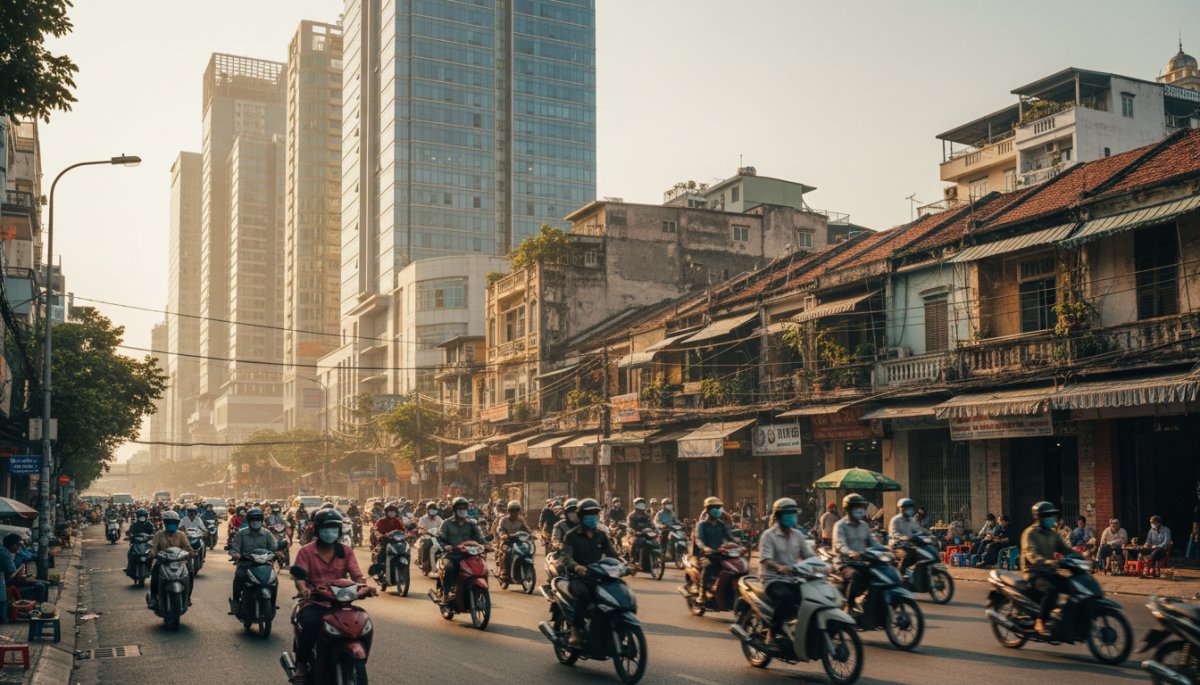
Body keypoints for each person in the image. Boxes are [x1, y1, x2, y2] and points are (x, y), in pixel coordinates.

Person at [290, 510, 371, 684]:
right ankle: (302, 663)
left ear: (340, 531)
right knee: (311, 623)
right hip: (314, 601)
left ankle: (356, 660)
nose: (330, 532)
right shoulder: (306, 551)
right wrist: (304, 589)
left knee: (363, 622)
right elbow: (299, 577)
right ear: (318, 530)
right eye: (326, 528)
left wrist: (364, 587)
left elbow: (357, 575)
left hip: (342, 602)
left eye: (334, 528)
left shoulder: (346, 551)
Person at [559, 498, 620, 647]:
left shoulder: (601, 535)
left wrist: (625, 565)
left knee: (618, 592)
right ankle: (576, 630)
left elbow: (612, 554)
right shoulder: (572, 536)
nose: (593, 517)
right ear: (580, 516)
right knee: (584, 595)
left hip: (599, 576)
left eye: (595, 514)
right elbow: (565, 557)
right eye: (589, 514)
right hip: (579, 578)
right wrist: (577, 567)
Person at [758, 498, 817, 646]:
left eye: (794, 513)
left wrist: (820, 563)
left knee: (813, 598)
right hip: (773, 579)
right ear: (778, 516)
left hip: (793, 578)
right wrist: (779, 567)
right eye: (788, 513)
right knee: (786, 599)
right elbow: (765, 559)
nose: (792, 517)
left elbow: (808, 555)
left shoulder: (797, 535)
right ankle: (771, 633)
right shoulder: (768, 535)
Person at [1021, 501, 1075, 637]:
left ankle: (1064, 617)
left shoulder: (1052, 533)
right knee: (1052, 591)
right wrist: (1047, 561)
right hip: (1034, 574)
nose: (1052, 519)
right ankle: (1040, 621)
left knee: (1074, 586)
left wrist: (1082, 557)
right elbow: (1031, 554)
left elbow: (1065, 549)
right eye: (1048, 516)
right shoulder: (1030, 533)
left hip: (1049, 572)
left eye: (1052, 515)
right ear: (1038, 517)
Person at [833, 493, 877, 612]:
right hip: (845, 562)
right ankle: (849, 605)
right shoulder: (840, 525)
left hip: (862, 561)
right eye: (856, 507)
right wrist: (850, 552)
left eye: (861, 507)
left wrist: (885, 549)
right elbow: (839, 544)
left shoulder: (864, 525)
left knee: (878, 575)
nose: (860, 510)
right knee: (855, 576)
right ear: (848, 509)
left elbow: (873, 543)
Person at [229, 508, 279, 612]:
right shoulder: (241, 534)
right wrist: (236, 555)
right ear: (248, 521)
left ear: (261, 520)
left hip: (264, 564)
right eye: (253, 519)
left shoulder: (267, 533)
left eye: (258, 519)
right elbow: (234, 549)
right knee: (239, 577)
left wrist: (278, 553)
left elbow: (274, 547)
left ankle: (272, 602)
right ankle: (236, 602)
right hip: (245, 564)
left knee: (274, 580)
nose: (255, 522)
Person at [436, 497, 486, 600]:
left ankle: (481, 592)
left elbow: (479, 538)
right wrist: (446, 546)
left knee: (483, 569)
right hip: (452, 555)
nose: (462, 510)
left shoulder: (471, 523)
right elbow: (440, 538)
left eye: (464, 508)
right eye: (460, 508)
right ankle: (446, 593)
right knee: (449, 568)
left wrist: (486, 545)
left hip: (470, 554)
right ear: (454, 510)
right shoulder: (446, 523)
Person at [692, 496, 736, 602]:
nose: (717, 510)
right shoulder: (702, 525)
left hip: (721, 552)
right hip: (706, 554)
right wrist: (705, 548)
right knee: (708, 566)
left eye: (718, 508)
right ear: (707, 510)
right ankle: (702, 593)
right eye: (714, 508)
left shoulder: (721, 524)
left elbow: (730, 537)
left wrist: (738, 544)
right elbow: (699, 540)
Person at [148, 511, 193, 608]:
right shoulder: (159, 534)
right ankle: (153, 597)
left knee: (190, 573)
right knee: (155, 572)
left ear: (177, 524)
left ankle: (188, 597)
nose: (172, 525)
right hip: (163, 562)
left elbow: (187, 547)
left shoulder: (181, 535)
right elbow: (154, 547)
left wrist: (192, 552)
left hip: (180, 563)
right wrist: (152, 552)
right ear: (165, 523)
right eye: (169, 523)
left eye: (174, 523)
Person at [0, 534, 48, 603]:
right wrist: (24, 575)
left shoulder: (5, 551)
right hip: (8, 583)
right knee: (41, 585)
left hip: (11, 579)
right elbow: (16, 576)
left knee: (44, 583)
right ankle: (40, 606)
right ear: (11, 545)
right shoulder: (5, 554)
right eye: (17, 545)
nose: (18, 548)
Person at [887, 498, 927, 576]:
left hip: (909, 546)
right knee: (907, 556)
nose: (909, 510)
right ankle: (900, 575)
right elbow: (893, 535)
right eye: (906, 508)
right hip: (896, 546)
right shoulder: (895, 520)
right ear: (901, 509)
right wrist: (903, 538)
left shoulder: (912, 520)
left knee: (921, 553)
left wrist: (926, 534)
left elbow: (918, 531)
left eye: (910, 508)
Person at [371, 503, 408, 584]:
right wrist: (380, 535)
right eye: (390, 512)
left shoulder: (397, 521)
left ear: (396, 513)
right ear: (386, 512)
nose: (392, 513)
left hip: (397, 542)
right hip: (385, 542)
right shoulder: (381, 521)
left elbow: (403, 530)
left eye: (393, 512)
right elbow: (376, 530)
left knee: (406, 552)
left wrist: (407, 534)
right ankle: (379, 573)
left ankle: (403, 571)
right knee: (380, 556)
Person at [495, 500, 530, 577]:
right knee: (508, 552)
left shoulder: (521, 519)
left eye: (517, 510)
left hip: (519, 541)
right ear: (509, 511)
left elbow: (526, 528)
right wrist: (503, 535)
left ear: (519, 511)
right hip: (507, 541)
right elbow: (499, 529)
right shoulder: (503, 520)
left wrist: (530, 534)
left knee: (526, 551)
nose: (514, 512)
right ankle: (504, 570)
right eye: (512, 510)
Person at [627, 497, 654, 562]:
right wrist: (633, 531)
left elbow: (651, 524)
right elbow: (629, 526)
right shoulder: (631, 516)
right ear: (635, 505)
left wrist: (655, 529)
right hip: (635, 534)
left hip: (646, 533)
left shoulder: (647, 515)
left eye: (643, 503)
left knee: (654, 541)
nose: (641, 505)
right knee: (636, 542)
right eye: (639, 504)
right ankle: (632, 558)